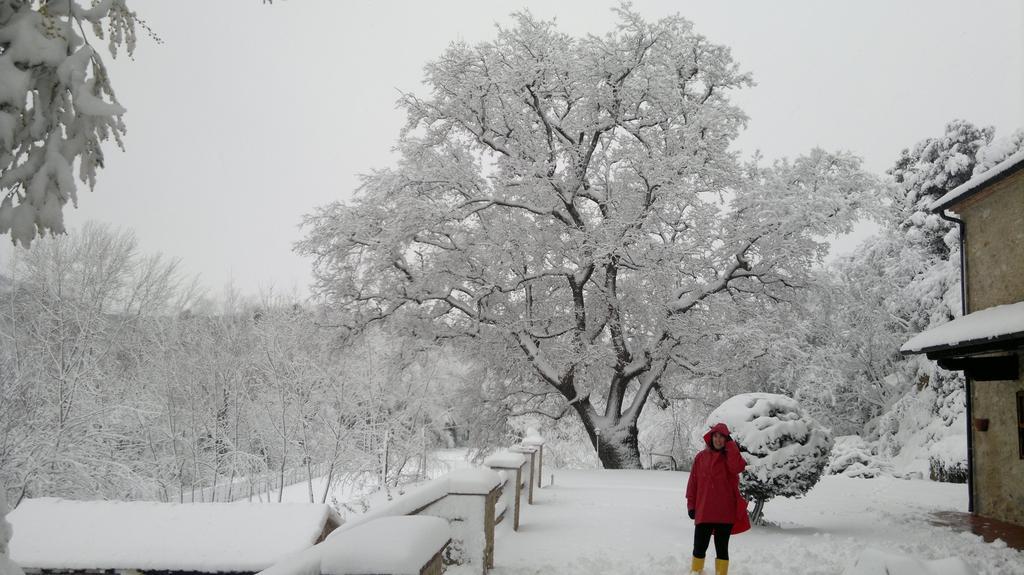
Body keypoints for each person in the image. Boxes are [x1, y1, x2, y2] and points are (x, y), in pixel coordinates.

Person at [685, 422, 750, 575]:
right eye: (716, 436)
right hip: (704, 510)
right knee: (699, 547)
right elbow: (693, 483)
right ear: (711, 437)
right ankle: (696, 572)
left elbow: (737, 468)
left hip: (724, 512)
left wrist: (731, 447)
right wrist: (691, 505)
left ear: (727, 439)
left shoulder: (730, 457)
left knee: (722, 550)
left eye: (722, 437)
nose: (718, 440)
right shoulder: (700, 457)